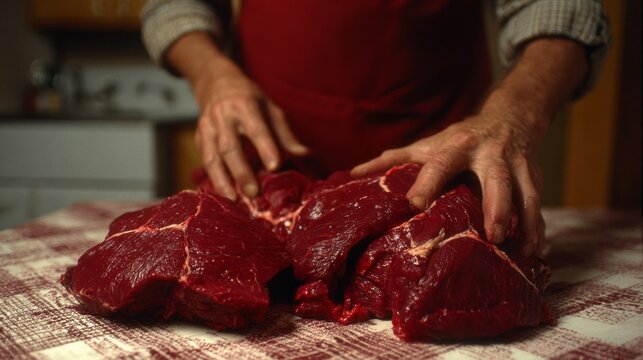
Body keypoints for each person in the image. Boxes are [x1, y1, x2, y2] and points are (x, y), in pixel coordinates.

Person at [141, 0, 610, 257]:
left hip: (429, 183)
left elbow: (564, 9)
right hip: (266, 175)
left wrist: (511, 117)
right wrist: (212, 75)